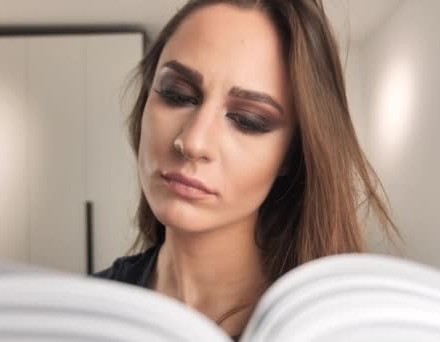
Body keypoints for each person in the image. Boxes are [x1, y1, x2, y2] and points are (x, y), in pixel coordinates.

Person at [94, 0, 399, 339]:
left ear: (291, 154)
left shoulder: (332, 329)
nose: (193, 142)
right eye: (177, 95)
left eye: (247, 120)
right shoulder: (87, 311)